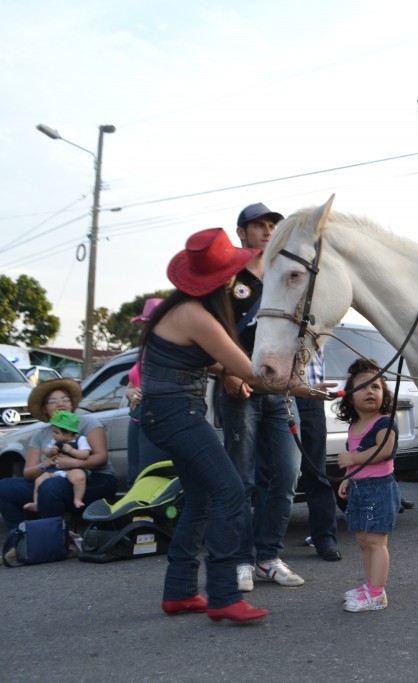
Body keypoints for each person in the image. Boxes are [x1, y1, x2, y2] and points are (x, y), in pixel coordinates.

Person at [141, 227, 332, 623]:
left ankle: (179, 592)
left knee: (201, 499)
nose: (236, 279)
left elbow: (205, 362)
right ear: (222, 279)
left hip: (169, 414)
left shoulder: (181, 311)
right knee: (229, 491)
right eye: (231, 274)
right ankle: (224, 595)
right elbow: (253, 373)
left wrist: (246, 375)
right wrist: (303, 390)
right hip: (178, 414)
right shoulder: (197, 316)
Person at [220, 202, 307, 592]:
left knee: (288, 476)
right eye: (259, 225)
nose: (268, 230)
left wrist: (299, 372)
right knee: (242, 480)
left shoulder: (285, 275)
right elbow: (217, 332)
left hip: (281, 392)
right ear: (241, 232)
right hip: (241, 389)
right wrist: (226, 371)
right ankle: (239, 560)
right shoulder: (228, 278)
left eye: (273, 224)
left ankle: (268, 557)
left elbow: (301, 329)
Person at [0, 378, 116, 547]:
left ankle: (53, 542)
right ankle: (19, 541)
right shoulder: (40, 435)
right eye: (53, 401)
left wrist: (73, 463)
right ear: (45, 409)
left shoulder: (87, 422)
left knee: (50, 487)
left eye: (65, 399)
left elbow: (101, 458)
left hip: (93, 479)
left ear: (72, 404)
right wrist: (46, 463)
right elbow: (28, 473)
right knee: (4, 488)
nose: (60, 404)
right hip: (55, 478)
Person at [335, 359, 402, 613]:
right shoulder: (355, 426)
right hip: (360, 489)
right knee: (363, 540)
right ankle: (369, 585)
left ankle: (377, 594)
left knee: (376, 542)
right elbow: (355, 457)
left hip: (379, 489)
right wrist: (348, 477)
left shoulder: (384, 422)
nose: (370, 391)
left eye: (376, 387)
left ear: (384, 393)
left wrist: (353, 459)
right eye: (363, 387)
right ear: (350, 397)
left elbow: (385, 450)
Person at [296, 348, 342, 561]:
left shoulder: (316, 315)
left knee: (316, 470)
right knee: (271, 473)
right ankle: (265, 551)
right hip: (275, 394)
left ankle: (325, 538)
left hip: (312, 395)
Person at [124, 297, 171, 488]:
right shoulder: (143, 351)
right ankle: (137, 518)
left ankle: (149, 517)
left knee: (149, 477)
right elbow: (130, 384)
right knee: (134, 478)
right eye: (145, 324)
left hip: (156, 417)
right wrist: (130, 394)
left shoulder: (170, 350)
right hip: (136, 418)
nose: (147, 328)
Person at [24, 410, 92, 512]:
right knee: (39, 480)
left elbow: (85, 454)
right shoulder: (55, 442)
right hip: (54, 469)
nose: (53, 434)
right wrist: (50, 451)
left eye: (56, 432)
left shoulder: (80, 440)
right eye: (53, 431)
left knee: (80, 478)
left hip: (72, 469)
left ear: (69, 432)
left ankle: (77, 499)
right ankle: (37, 503)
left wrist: (72, 451)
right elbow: (45, 451)